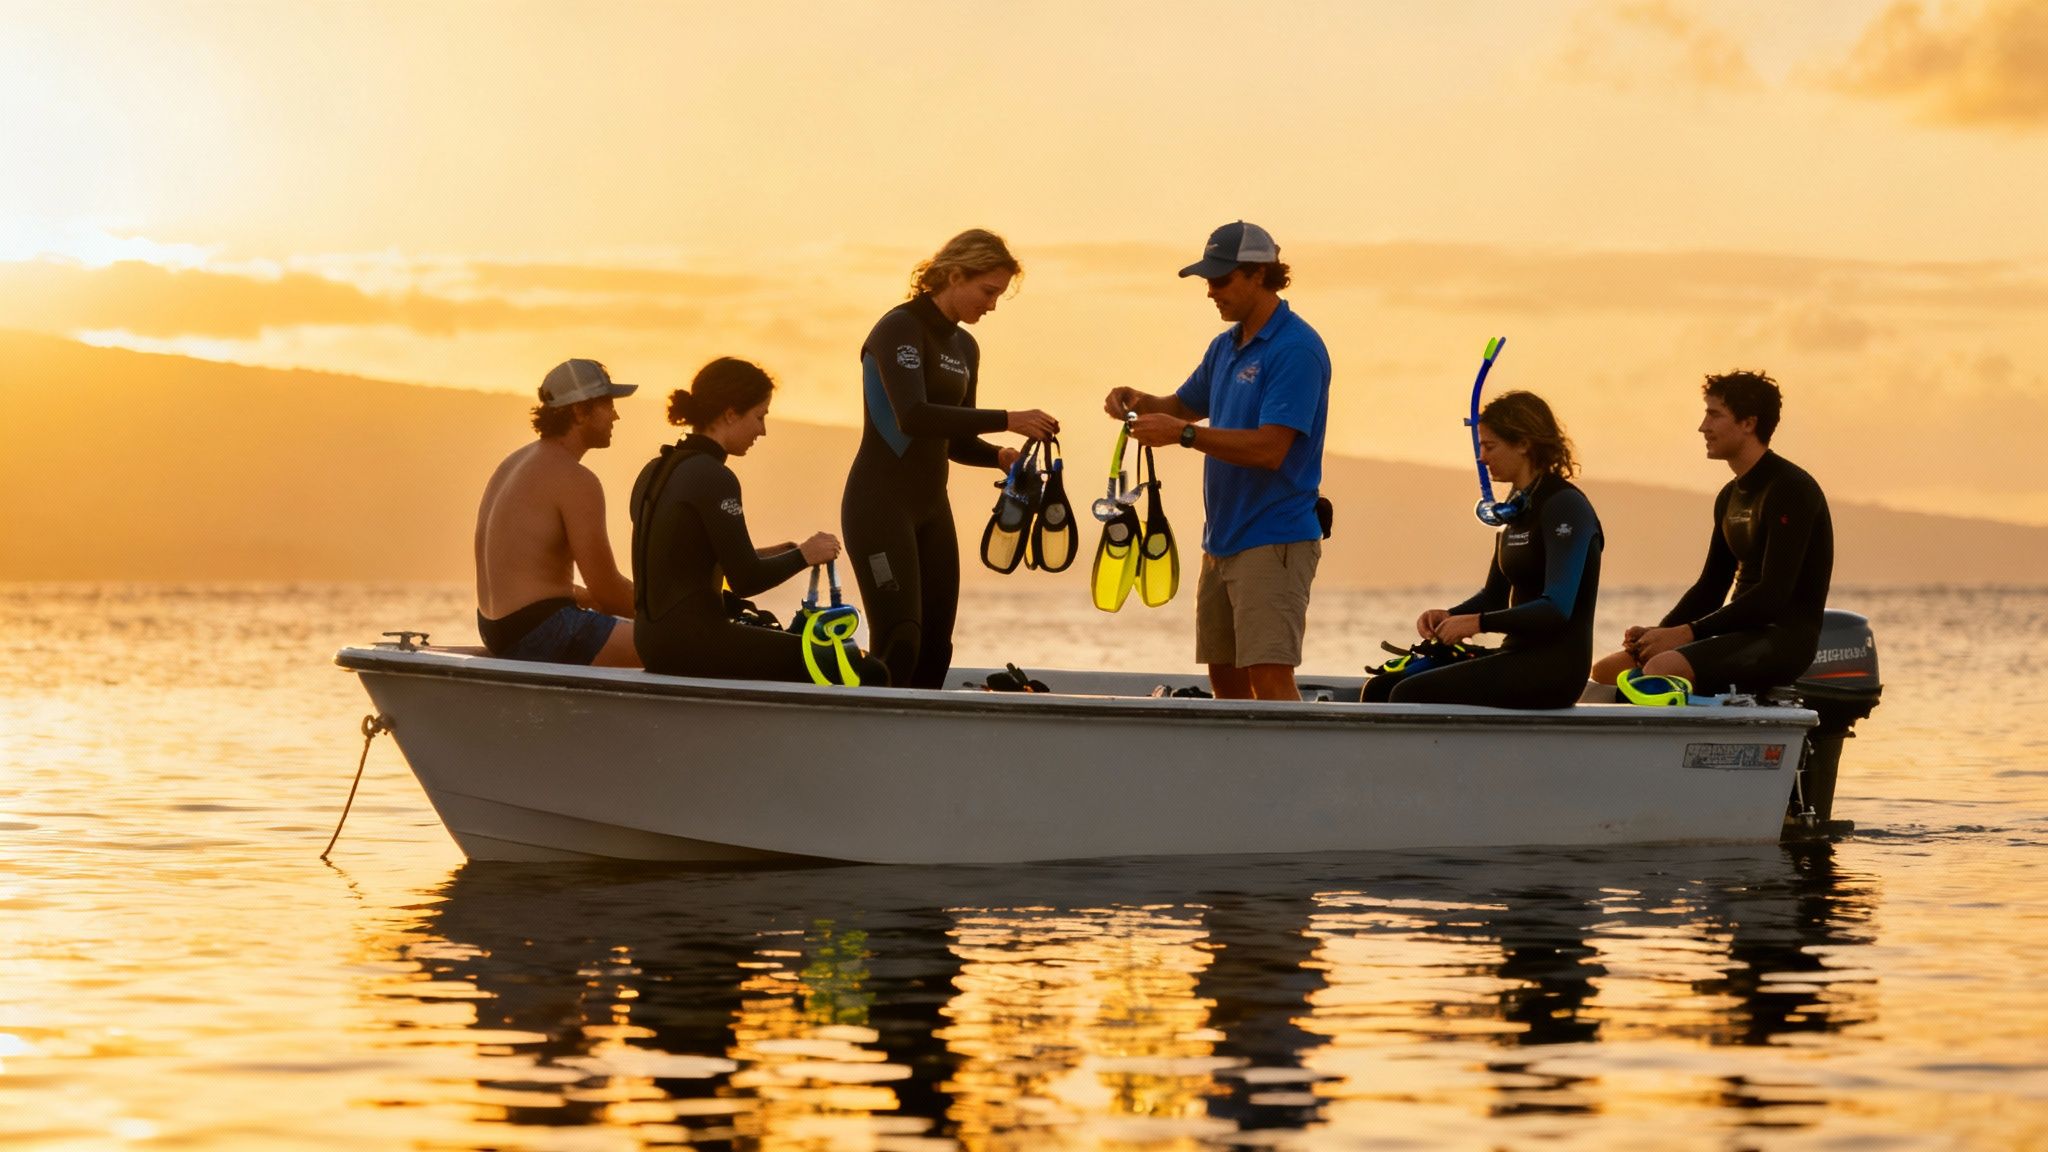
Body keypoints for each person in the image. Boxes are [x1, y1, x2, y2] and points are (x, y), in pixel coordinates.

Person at [1104, 220, 1331, 701]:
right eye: (1207, 279)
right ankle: (1243, 775)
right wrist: (1141, 400)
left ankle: (1291, 776)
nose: (1210, 291)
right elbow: (1183, 406)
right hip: (1222, 541)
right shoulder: (1226, 346)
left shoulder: (1296, 349)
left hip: (1276, 538)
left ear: (1259, 275)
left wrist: (1184, 436)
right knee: (1225, 679)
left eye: (1221, 279)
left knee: (1269, 677)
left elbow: (1271, 449)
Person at [841, 229, 1059, 689]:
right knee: (900, 638)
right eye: (987, 292)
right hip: (879, 504)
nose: (993, 305)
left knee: (937, 644)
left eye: (998, 295)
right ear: (955, 275)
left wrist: (1000, 456)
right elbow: (914, 416)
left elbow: (956, 441)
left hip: (930, 507)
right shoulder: (899, 327)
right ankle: (871, 741)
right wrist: (1008, 418)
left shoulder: (965, 348)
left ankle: (918, 749)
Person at [633, 356, 888, 685]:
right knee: (868, 671)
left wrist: (774, 553)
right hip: (695, 644)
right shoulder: (715, 477)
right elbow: (747, 580)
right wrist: (804, 555)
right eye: (759, 416)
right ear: (730, 413)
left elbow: (685, 560)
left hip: (651, 640)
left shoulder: (655, 471)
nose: (763, 430)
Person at [1593, 370, 1833, 695]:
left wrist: (1686, 634)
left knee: (1661, 667)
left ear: (1748, 423)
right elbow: (1711, 586)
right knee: (1607, 670)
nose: (1703, 426)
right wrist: (1659, 633)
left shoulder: (1790, 489)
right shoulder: (1729, 497)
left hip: (1783, 638)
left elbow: (1773, 597)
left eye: (1714, 414)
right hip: (1741, 633)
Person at [1362, 392, 1603, 708]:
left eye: (1490, 446)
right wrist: (1450, 616)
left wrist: (1477, 623)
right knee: (1381, 688)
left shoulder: (1564, 506)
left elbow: (1556, 608)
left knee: (1408, 695)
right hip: (1515, 654)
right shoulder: (1516, 508)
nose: (1481, 457)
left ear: (1523, 444)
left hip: (1555, 669)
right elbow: (1493, 597)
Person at [473, 358, 639, 666]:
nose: (616, 415)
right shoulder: (575, 479)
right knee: (682, 646)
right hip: (544, 632)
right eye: (607, 404)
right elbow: (609, 591)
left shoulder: (513, 463)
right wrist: (674, 617)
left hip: (495, 629)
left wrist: (591, 599)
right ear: (579, 410)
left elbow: (529, 576)